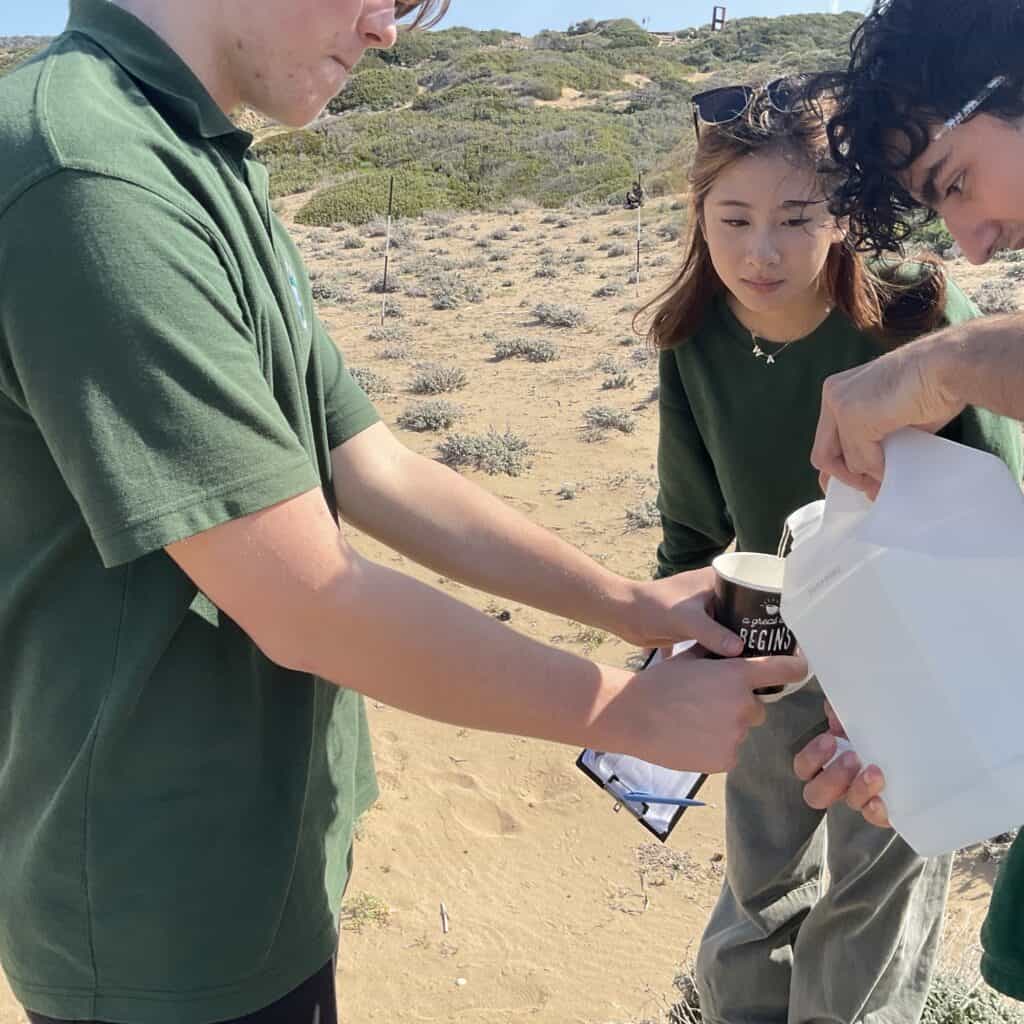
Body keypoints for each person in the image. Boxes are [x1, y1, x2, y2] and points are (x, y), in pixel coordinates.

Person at [0, 2, 810, 1023]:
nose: (388, 30)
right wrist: (623, 709)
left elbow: (372, 465)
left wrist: (623, 602)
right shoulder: (90, 172)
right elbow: (305, 599)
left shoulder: (193, 151)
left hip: (258, 847)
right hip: (152, 895)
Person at [637, 76, 1023, 1024]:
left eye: (795, 217)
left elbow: (1005, 508)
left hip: (914, 643)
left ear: (846, 217)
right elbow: (692, 528)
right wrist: (669, 647)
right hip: (770, 636)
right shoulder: (692, 340)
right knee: (758, 876)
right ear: (699, 217)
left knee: (876, 885)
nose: (759, 252)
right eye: (731, 220)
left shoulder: (922, 316)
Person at [788, 0, 1024, 1004]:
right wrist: (926, 689)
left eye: (955, 180)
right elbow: (701, 540)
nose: (972, 242)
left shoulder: (940, 330)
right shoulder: (693, 354)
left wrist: (954, 363)